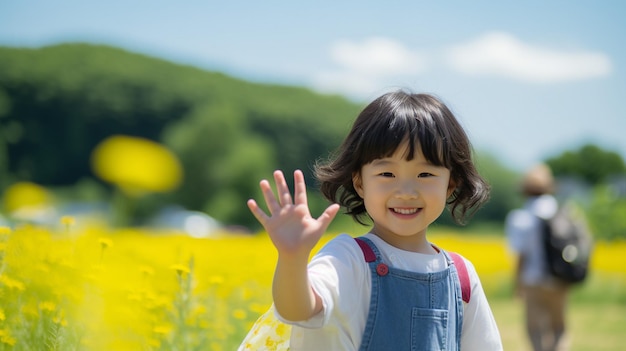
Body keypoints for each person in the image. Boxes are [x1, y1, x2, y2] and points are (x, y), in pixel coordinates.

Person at [245, 90, 503, 350]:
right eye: (387, 173)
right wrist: (292, 258)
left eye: (425, 174)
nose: (406, 191)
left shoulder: (460, 276)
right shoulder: (348, 258)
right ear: (360, 183)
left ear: (450, 185)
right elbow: (297, 311)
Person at [505, 163, 569, 351]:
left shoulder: (520, 217)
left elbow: (520, 255)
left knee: (535, 329)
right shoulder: (562, 212)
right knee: (559, 328)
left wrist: (517, 284)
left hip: (532, 279)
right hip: (559, 278)